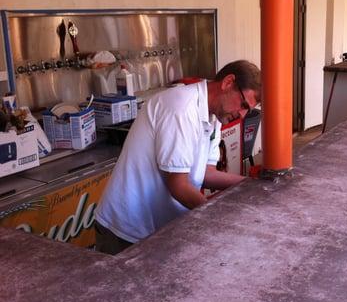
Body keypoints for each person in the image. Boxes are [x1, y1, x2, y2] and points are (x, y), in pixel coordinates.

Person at [94, 60, 261, 254]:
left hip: (158, 229)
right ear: (228, 82)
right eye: (242, 104)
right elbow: (178, 185)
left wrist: (250, 184)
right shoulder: (180, 107)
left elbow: (206, 173)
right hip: (126, 231)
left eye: (247, 110)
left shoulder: (214, 117)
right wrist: (215, 220)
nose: (241, 115)